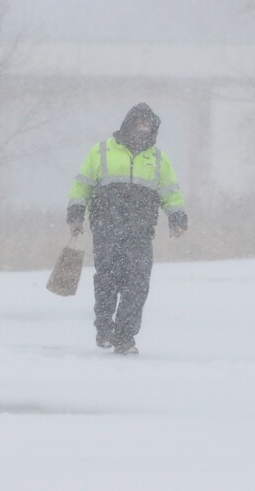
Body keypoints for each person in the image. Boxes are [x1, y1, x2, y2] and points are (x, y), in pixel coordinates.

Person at [66, 103, 187, 356]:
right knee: (107, 280)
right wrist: (76, 214)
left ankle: (125, 338)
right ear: (129, 123)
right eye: (139, 122)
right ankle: (104, 327)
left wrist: (177, 217)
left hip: (140, 231)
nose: (144, 127)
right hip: (106, 227)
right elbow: (82, 185)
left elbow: (170, 191)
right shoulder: (101, 151)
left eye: (148, 123)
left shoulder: (158, 158)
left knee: (138, 284)